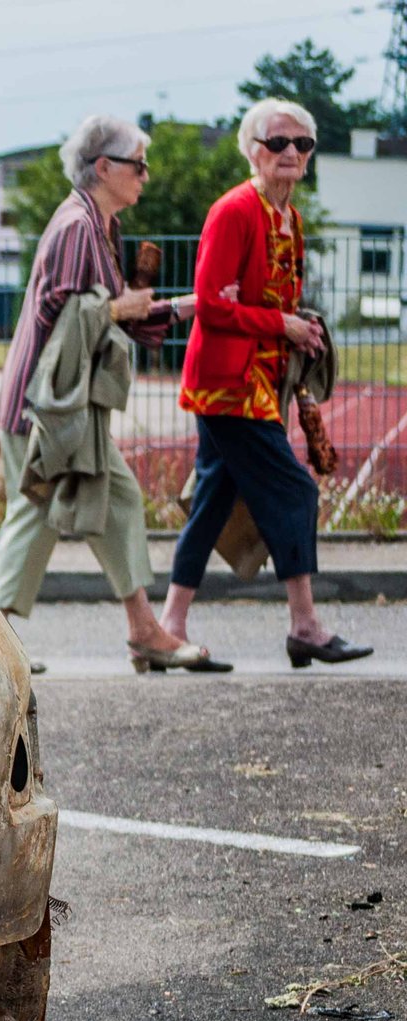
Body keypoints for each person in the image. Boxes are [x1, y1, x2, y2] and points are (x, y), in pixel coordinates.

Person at [0, 114, 218, 672]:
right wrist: (121, 307)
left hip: (63, 412)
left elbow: (110, 314)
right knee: (40, 512)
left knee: (113, 502)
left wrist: (186, 305)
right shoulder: (76, 227)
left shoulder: (99, 226)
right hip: (45, 410)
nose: (146, 174)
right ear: (104, 167)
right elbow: (65, 313)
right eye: (138, 163)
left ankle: (143, 631)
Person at [162, 98, 371, 667]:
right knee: (295, 491)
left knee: (212, 502)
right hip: (229, 386)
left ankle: (168, 626)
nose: (292, 153)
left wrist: (295, 329)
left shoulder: (291, 217)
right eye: (279, 143)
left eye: (302, 144)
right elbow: (211, 304)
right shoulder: (233, 211)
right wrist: (281, 323)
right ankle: (305, 624)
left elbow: (261, 299)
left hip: (262, 379)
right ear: (253, 151)